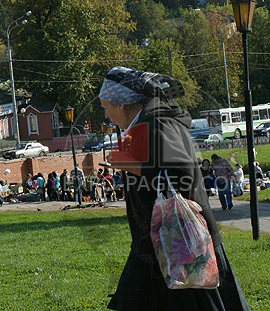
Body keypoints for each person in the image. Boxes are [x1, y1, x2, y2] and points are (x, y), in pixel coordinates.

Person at [99, 66, 248, 311]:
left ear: (121, 104)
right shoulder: (145, 123)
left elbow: (183, 174)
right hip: (159, 244)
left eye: (106, 107)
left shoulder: (159, 123)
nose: (106, 115)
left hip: (181, 243)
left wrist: (135, 167)